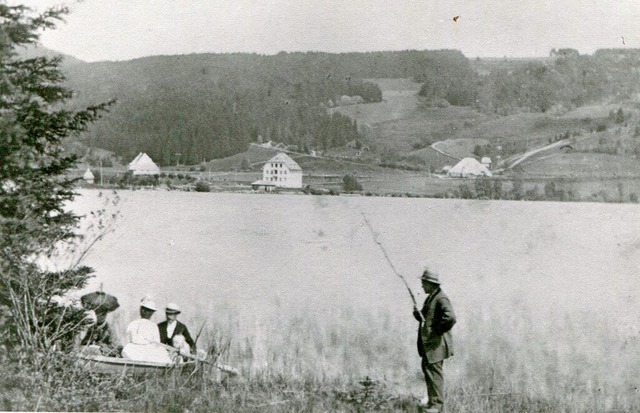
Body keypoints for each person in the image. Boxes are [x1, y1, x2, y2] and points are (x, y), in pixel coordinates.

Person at [413, 268, 457, 413]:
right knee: (429, 371)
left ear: (430, 283)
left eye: (423, 283)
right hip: (430, 345)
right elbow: (426, 316)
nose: (422, 286)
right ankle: (433, 404)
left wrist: (437, 331)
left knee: (434, 373)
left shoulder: (441, 298)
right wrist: (418, 315)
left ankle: (437, 406)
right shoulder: (432, 297)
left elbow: (450, 317)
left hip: (436, 345)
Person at [121, 298, 172, 363]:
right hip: (137, 349)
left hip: (139, 350)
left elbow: (126, 340)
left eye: (150, 311)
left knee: (158, 352)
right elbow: (156, 343)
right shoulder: (134, 324)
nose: (148, 313)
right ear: (141, 310)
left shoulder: (135, 323)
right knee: (159, 354)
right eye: (146, 310)